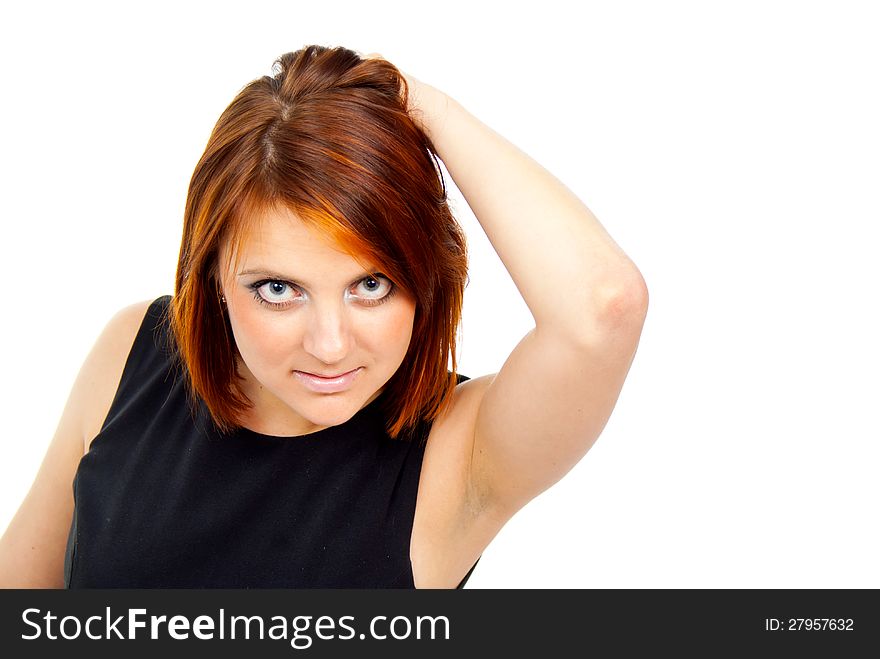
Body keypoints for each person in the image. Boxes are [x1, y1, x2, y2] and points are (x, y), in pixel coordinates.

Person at [0, 45, 648, 588]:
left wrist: (420, 104)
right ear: (216, 276)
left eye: (371, 283)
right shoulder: (135, 352)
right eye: (279, 289)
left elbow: (602, 306)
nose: (331, 345)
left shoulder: (460, 455)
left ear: (425, 279)